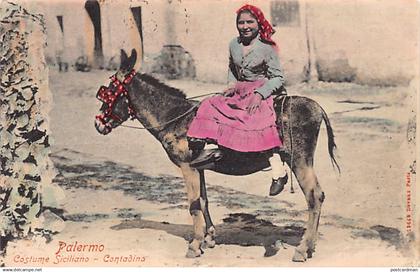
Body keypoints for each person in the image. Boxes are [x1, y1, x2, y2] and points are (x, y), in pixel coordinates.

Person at [187, 4, 288, 196]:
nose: (245, 26)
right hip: (240, 89)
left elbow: (277, 77)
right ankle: (211, 148)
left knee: (256, 117)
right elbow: (232, 69)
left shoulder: (268, 47)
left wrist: (260, 94)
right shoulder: (234, 44)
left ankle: (277, 168)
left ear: (259, 23)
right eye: (241, 22)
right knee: (210, 104)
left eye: (250, 22)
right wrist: (231, 85)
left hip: (261, 90)